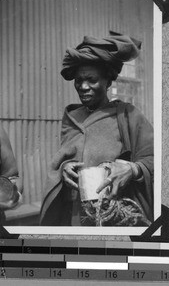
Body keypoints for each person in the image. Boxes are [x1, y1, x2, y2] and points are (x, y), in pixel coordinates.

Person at [40, 35, 153, 226]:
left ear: (108, 82)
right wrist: (64, 169)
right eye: (79, 80)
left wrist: (132, 169)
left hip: (114, 217)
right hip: (73, 217)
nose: (83, 87)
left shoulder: (127, 115)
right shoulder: (72, 118)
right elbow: (65, 158)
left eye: (92, 80)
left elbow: (156, 160)